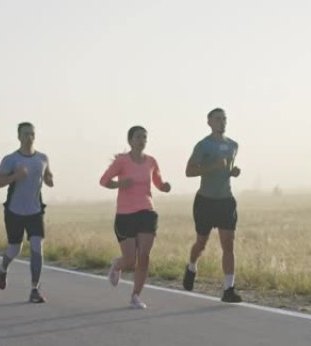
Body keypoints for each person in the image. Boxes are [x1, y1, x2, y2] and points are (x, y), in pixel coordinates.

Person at [100, 126, 171, 309]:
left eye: (144, 138)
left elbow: (157, 181)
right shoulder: (122, 161)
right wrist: (120, 183)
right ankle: (117, 265)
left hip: (147, 212)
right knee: (130, 260)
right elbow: (104, 181)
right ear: (130, 140)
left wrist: (164, 187)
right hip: (125, 214)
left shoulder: (151, 161)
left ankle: (135, 296)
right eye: (138, 137)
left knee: (144, 256)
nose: (142, 141)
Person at [183, 108, 243, 303]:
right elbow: (189, 171)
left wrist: (232, 172)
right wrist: (212, 167)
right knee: (201, 243)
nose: (222, 122)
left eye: (224, 119)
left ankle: (228, 289)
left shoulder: (233, 145)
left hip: (225, 200)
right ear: (209, 122)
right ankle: (191, 266)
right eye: (217, 119)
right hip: (205, 201)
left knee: (228, 244)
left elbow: (226, 170)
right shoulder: (203, 145)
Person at [0, 122, 54, 303]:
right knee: (14, 248)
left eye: (32, 134)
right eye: (26, 134)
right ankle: (3, 269)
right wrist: (14, 177)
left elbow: (48, 177)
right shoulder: (10, 159)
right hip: (14, 211)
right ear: (18, 137)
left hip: (35, 211)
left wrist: (50, 179)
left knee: (37, 246)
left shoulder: (42, 158)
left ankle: (34, 289)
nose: (29, 138)